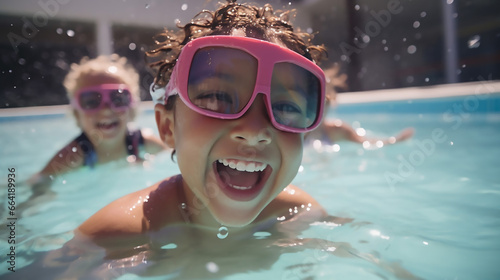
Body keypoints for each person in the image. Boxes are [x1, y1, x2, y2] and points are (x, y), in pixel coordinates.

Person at [15, 2, 419, 279]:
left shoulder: (295, 211)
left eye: (287, 107)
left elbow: (370, 258)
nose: (256, 129)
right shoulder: (117, 234)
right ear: (167, 128)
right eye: (216, 98)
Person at [25, 54, 167, 204]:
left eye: (118, 98)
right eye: (91, 101)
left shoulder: (143, 143)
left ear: (131, 108)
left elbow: (171, 160)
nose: (106, 110)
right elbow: (40, 181)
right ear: (76, 114)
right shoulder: (75, 155)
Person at [306, 64, 414, 148]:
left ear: (332, 103)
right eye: (318, 102)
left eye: (326, 102)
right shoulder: (299, 129)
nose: (322, 108)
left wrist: (393, 141)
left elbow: (366, 143)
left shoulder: (336, 130)